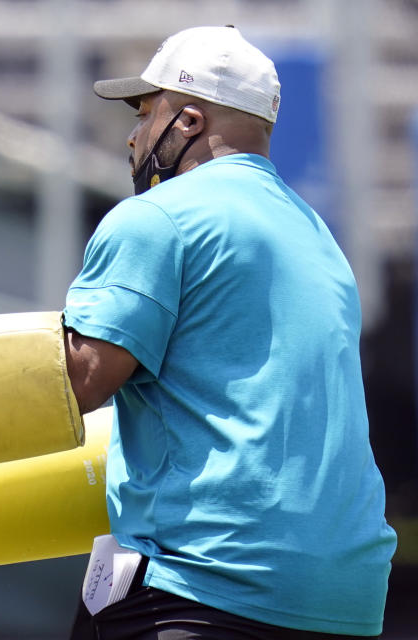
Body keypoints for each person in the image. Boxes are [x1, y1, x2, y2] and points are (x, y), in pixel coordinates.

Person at [61, 26, 397, 639]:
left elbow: (76, 383)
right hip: (347, 599)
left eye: (144, 112)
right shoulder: (319, 237)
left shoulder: (156, 218)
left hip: (203, 585)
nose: (134, 136)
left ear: (187, 120)